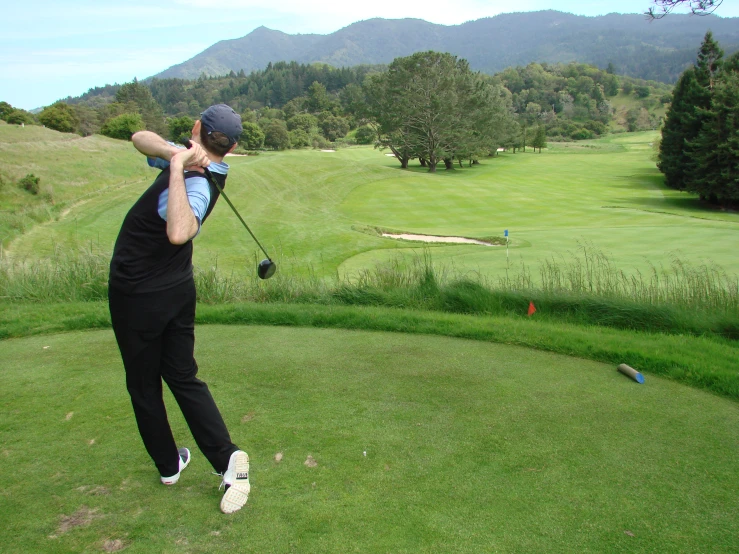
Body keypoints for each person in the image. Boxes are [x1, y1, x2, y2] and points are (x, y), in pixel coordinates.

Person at [108, 104, 250, 514]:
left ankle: (170, 465)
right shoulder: (190, 157)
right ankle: (225, 459)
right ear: (233, 145)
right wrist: (177, 154)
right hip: (175, 290)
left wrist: (177, 167)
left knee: (143, 384)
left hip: (139, 296)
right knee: (183, 377)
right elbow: (138, 138)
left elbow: (179, 232)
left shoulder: (199, 183)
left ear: (197, 127)